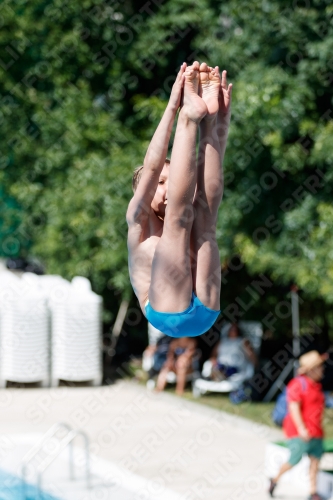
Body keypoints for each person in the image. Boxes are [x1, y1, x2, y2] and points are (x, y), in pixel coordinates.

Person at [126, 61, 232, 338]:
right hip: (167, 313)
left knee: (205, 217)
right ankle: (190, 119)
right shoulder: (138, 221)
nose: (167, 187)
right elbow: (151, 167)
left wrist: (219, 120)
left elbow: (207, 189)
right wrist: (175, 108)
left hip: (206, 310)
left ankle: (205, 121)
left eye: (171, 179)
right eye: (160, 183)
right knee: (179, 219)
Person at [269, 350, 328, 500]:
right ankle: (275, 480)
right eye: (320, 366)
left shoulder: (316, 386)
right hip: (299, 431)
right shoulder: (297, 384)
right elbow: (294, 407)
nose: (323, 369)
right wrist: (302, 429)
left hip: (316, 431)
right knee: (293, 460)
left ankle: (313, 492)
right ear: (312, 369)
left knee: (315, 461)